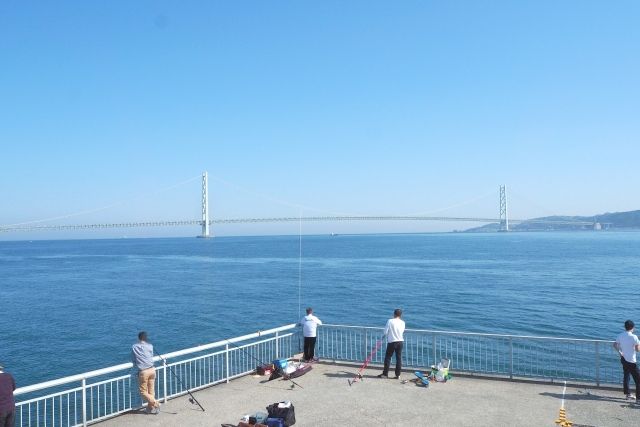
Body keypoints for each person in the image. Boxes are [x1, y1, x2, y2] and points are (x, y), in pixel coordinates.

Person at [131, 332, 161, 414]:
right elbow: (150, 356)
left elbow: (134, 360)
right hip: (152, 370)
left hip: (143, 371)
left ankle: (156, 403)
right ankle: (150, 408)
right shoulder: (150, 346)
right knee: (151, 391)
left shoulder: (134, 347)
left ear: (139, 338)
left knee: (143, 391)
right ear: (146, 338)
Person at [614, 320, 640, 403]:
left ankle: (628, 394)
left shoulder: (620, 335)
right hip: (631, 361)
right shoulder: (634, 337)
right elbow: (637, 350)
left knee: (626, 376)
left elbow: (615, 345)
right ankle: (638, 399)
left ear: (625, 327)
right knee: (638, 380)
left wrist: (620, 353)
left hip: (624, 359)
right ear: (633, 327)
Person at [378, 309, 405, 379]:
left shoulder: (390, 321)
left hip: (392, 342)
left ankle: (385, 374)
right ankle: (398, 375)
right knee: (398, 358)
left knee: (388, 357)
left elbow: (385, 332)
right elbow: (402, 331)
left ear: (394, 314)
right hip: (400, 342)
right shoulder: (403, 322)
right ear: (400, 315)